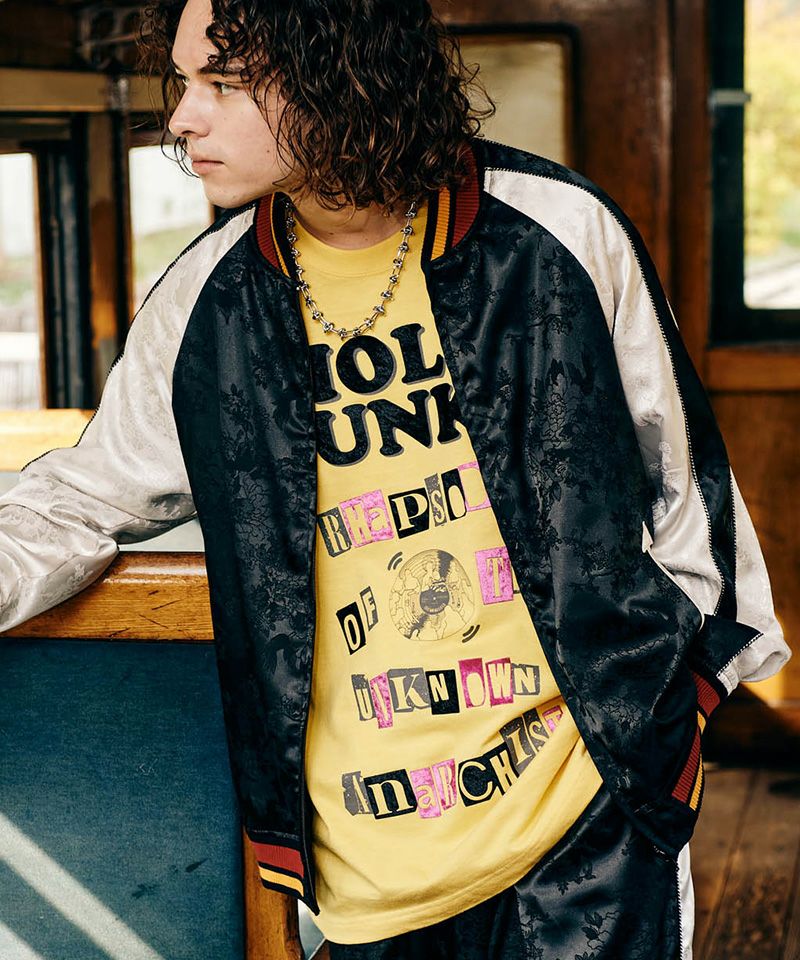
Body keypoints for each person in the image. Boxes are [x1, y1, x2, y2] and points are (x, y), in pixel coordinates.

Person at [0, 0, 791, 956]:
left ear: (338, 73)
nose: (181, 117)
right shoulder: (205, 302)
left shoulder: (558, 232)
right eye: (183, 82)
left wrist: (670, 723)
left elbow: (687, 486)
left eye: (225, 84)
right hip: (368, 863)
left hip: (591, 826)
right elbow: (79, 499)